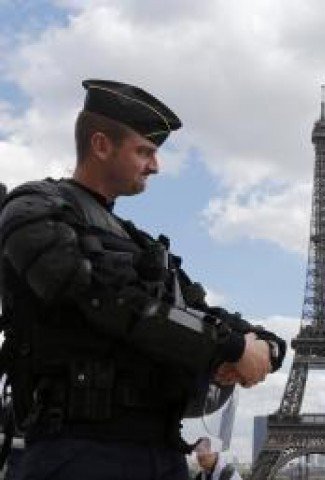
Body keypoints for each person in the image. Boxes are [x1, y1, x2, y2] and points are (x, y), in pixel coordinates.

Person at [0, 79, 286, 480]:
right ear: (101, 145)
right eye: (144, 151)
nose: (156, 165)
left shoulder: (140, 243)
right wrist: (232, 346)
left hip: (159, 451)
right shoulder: (33, 210)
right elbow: (111, 299)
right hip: (79, 452)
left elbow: (196, 308)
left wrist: (267, 346)